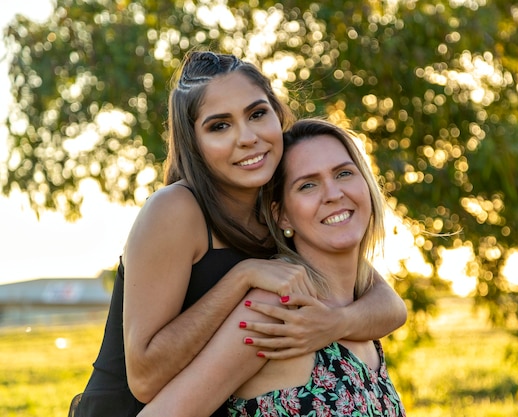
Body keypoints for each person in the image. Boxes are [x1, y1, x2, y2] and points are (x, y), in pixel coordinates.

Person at [69, 51, 406, 417]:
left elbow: (387, 304)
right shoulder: (177, 210)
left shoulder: (277, 208)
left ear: (277, 115)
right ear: (193, 141)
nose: (247, 138)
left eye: (257, 114)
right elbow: (145, 379)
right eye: (219, 126)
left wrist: (335, 323)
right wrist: (241, 278)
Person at [136, 118, 406, 416]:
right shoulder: (273, 311)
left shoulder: (361, 309)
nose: (333, 193)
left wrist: (340, 321)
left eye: (343, 173)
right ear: (282, 217)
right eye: (308, 185)